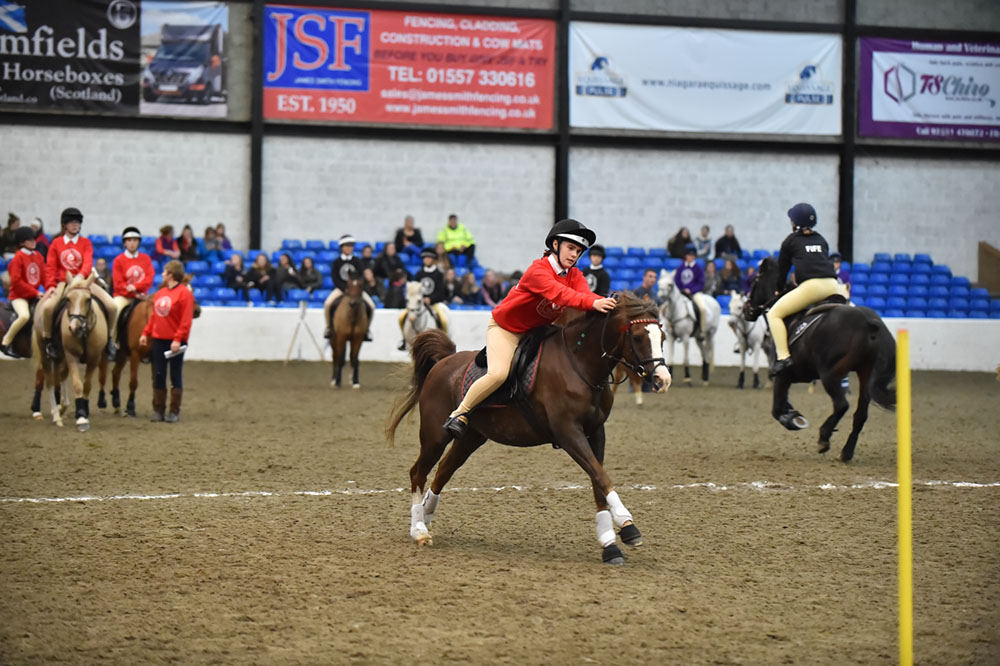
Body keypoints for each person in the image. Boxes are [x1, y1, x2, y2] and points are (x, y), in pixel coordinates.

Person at [443, 219, 616, 438]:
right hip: (506, 329)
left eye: (579, 251)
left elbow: (587, 295)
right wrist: (593, 303)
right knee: (498, 374)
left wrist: (608, 304)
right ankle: (460, 414)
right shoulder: (538, 270)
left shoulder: (575, 275)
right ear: (555, 245)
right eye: (571, 248)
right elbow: (562, 295)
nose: (574, 254)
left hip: (537, 331)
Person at [766, 203, 848, 378]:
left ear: (796, 223)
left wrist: (779, 290)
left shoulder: (790, 241)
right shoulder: (821, 240)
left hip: (813, 287)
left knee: (774, 314)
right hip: (834, 285)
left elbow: (782, 270)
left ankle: (783, 358)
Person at [37, 207, 118, 360]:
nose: (75, 225)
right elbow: (50, 267)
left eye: (77, 222)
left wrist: (79, 277)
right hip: (63, 282)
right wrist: (50, 286)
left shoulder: (85, 243)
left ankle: (109, 341)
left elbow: (87, 263)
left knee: (112, 306)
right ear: (64, 225)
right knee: (48, 307)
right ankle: (49, 342)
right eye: (71, 222)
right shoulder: (56, 244)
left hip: (84, 282)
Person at [140, 260, 195, 423]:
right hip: (159, 339)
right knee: (159, 374)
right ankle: (158, 410)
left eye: (165, 272)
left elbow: (186, 321)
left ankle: (174, 411)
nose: (162, 275)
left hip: (175, 342)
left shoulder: (184, 294)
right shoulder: (161, 293)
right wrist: (145, 333)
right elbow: (154, 317)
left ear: (171, 274)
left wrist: (177, 339)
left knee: (175, 375)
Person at [0, 227, 45, 358]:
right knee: (24, 316)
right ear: (21, 243)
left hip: (34, 295)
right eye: (29, 240)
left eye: (33, 239)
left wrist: (51, 288)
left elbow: (44, 276)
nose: (33, 241)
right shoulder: (17, 258)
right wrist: (35, 292)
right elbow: (17, 282)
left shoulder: (38, 256)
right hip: (19, 296)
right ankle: (6, 342)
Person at [323, 235, 375, 340]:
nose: (349, 248)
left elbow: (361, 276)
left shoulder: (357, 261)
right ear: (342, 247)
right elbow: (335, 278)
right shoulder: (337, 262)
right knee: (328, 304)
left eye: (351, 246)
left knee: (372, 306)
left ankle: (367, 329)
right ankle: (329, 327)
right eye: (346, 246)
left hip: (356, 290)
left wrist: (356, 289)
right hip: (341, 289)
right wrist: (345, 289)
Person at [110, 227, 155, 345]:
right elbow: (119, 284)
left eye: (135, 240)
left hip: (142, 296)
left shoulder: (145, 259)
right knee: (116, 309)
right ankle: (112, 341)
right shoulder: (118, 260)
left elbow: (149, 278)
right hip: (124, 296)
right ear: (125, 243)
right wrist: (133, 293)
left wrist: (136, 287)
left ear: (139, 242)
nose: (132, 243)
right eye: (129, 240)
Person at [397, 247, 450, 348]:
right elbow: (414, 290)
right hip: (419, 304)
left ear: (433, 259)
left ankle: (445, 338)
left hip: (434, 303)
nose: (426, 260)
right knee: (401, 317)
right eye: (425, 258)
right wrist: (420, 300)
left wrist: (430, 299)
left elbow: (441, 292)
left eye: (429, 258)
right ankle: (404, 339)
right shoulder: (419, 274)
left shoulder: (439, 274)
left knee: (443, 319)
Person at [674, 244, 710, 339]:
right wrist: (682, 289)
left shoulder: (698, 268)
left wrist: (691, 290)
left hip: (695, 293)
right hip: (681, 294)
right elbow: (677, 281)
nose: (690, 257)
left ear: (694, 256)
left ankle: (702, 330)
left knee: (702, 309)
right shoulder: (681, 268)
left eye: (692, 255)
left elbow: (701, 283)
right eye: (688, 255)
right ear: (686, 256)